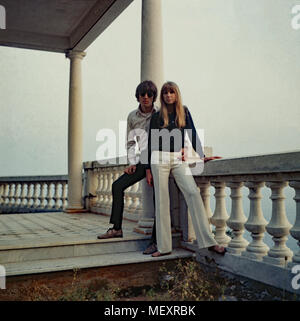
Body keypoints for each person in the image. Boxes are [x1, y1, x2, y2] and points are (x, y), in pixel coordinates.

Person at [146, 81, 226, 257]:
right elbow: (150, 143)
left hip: (177, 158)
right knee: (161, 202)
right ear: (162, 96)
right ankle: (164, 247)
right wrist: (148, 169)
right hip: (158, 158)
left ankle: (209, 242)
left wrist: (202, 155)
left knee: (192, 193)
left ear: (176, 95)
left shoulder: (185, 112)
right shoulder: (157, 116)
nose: (168, 96)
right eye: (165, 93)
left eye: (172, 92)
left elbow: (192, 133)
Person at [97, 80, 158, 255]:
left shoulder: (159, 114)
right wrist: (132, 162)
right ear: (137, 96)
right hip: (142, 160)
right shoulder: (132, 116)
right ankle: (116, 228)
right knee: (117, 186)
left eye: (149, 95)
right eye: (142, 95)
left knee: (158, 198)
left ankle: (155, 240)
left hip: (158, 160)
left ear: (154, 97)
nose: (145, 98)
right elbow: (131, 142)